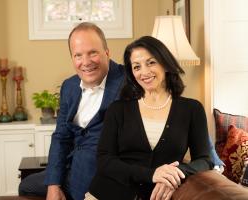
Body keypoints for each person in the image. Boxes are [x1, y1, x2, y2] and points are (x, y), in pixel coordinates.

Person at [86, 36, 214, 200]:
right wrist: (152, 174)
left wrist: (177, 172)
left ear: (166, 64)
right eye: (136, 67)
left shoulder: (192, 109)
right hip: (107, 194)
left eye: (151, 62)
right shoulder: (118, 109)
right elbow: (105, 161)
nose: (144, 72)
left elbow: (205, 159)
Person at [18, 22, 124, 200]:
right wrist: (53, 184)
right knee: (27, 186)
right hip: (70, 167)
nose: (86, 62)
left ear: (107, 52)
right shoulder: (69, 86)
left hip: (102, 174)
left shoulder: (128, 81)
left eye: (93, 53)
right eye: (78, 55)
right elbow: (61, 136)